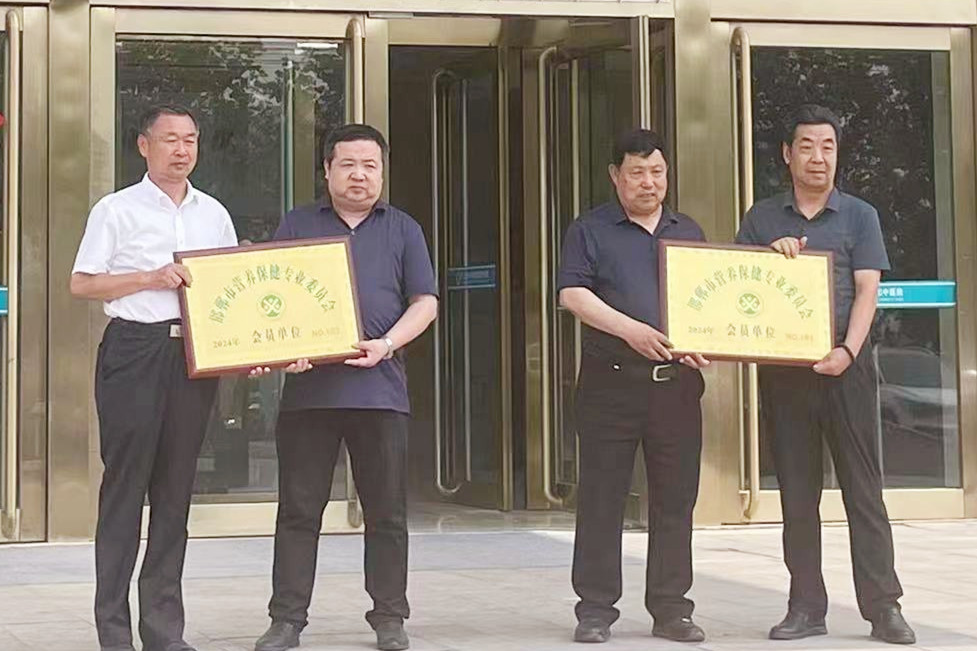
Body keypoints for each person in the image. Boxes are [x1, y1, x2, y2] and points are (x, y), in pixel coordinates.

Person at [252, 124, 438, 651]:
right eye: (348, 164)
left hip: (380, 393)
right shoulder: (298, 224)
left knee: (387, 514)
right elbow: (272, 296)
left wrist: (387, 343)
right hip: (310, 396)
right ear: (327, 170)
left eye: (370, 165)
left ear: (382, 171)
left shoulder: (403, 228)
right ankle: (287, 619)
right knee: (298, 511)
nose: (360, 175)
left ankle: (389, 618)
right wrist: (282, 349)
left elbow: (425, 302)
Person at [736, 104, 915, 645]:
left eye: (828, 146)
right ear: (787, 155)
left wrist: (847, 351)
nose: (819, 156)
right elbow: (739, 290)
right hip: (786, 374)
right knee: (797, 495)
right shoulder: (761, 218)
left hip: (847, 370)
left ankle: (883, 608)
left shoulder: (860, 215)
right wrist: (768, 259)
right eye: (807, 146)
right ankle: (805, 607)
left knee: (864, 492)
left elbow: (867, 290)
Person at [70, 105, 239, 651]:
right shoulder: (116, 209)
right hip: (134, 351)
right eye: (170, 139)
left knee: (175, 491)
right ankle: (114, 632)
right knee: (126, 487)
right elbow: (82, 284)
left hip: (192, 353)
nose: (181, 149)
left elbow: (230, 288)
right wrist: (150, 277)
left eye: (190, 139)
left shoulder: (214, 213)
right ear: (144, 145)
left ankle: (164, 632)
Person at [557, 129, 711, 645]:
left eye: (657, 172)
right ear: (615, 176)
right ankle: (595, 610)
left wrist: (703, 341)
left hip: (676, 387)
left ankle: (672, 609)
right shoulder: (590, 229)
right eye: (637, 172)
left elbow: (706, 302)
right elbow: (573, 294)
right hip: (611, 384)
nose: (649, 182)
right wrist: (633, 331)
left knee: (675, 500)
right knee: (602, 498)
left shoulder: (688, 231)